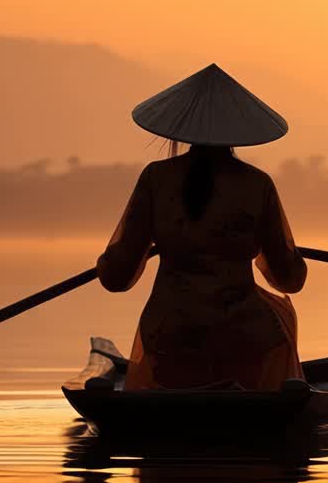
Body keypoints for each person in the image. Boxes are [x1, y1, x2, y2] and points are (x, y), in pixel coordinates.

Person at [96, 64, 307, 391]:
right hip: (243, 337)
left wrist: (106, 264)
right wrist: (293, 258)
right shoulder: (256, 185)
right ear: (237, 130)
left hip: (170, 336)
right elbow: (289, 280)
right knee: (282, 315)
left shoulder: (156, 179)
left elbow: (117, 277)